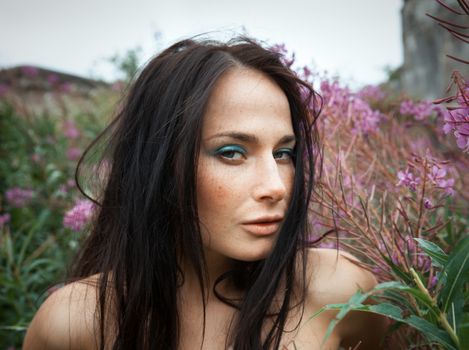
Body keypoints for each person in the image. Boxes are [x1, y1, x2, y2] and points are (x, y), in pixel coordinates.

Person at [23, 36, 389, 349]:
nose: (276, 186)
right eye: (232, 153)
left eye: (283, 153)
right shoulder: (73, 323)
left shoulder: (342, 291)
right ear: (159, 163)